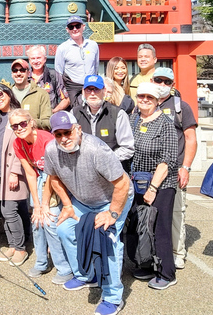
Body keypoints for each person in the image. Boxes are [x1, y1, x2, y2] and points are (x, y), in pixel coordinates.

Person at [45, 111, 132, 315]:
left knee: (107, 239)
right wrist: (66, 205)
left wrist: (112, 214)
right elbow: (54, 178)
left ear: (78, 129)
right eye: (58, 134)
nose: (64, 138)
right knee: (65, 229)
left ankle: (112, 297)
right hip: (83, 202)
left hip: (112, 200)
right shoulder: (51, 150)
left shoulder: (97, 150)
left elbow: (123, 185)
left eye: (68, 132)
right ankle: (87, 275)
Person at [8, 109, 72, 284]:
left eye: (22, 123)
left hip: (56, 177)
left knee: (50, 221)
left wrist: (44, 203)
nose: (19, 128)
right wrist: (36, 204)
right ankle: (41, 262)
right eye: (15, 126)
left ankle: (64, 268)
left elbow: (53, 174)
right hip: (38, 177)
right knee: (36, 221)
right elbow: (29, 173)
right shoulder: (18, 143)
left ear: (31, 122)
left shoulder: (46, 140)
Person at [127, 82, 179, 290]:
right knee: (141, 225)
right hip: (137, 181)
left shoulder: (165, 123)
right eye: (141, 97)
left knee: (160, 227)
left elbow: (168, 159)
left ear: (158, 101)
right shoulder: (133, 118)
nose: (144, 100)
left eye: (150, 97)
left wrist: (153, 188)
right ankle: (146, 264)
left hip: (161, 182)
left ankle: (167, 272)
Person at [150, 67, 198, 269]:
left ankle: (177, 252)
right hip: (150, 171)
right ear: (151, 80)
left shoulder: (181, 107)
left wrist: (185, 166)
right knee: (151, 213)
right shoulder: (145, 102)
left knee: (176, 212)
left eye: (166, 82)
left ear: (172, 85)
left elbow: (190, 138)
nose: (162, 85)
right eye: (158, 80)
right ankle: (153, 251)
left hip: (174, 169)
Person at [0, 84, 28, 266]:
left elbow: (24, 144)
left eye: (0, 95)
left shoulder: (18, 116)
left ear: (9, 94)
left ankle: (21, 248)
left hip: (11, 171)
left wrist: (15, 172)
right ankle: (11, 245)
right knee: (4, 210)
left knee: (10, 211)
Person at [72, 75, 134, 173]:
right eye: (88, 90)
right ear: (83, 92)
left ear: (104, 91)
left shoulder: (118, 114)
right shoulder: (74, 114)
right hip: (83, 171)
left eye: (96, 89)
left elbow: (127, 148)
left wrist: (106, 159)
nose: (92, 93)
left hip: (111, 171)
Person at [54, 16, 100, 107]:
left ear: (83, 27)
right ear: (67, 30)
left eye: (77, 26)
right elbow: (58, 72)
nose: (75, 29)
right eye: (71, 27)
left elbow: (96, 67)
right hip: (73, 88)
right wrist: (64, 93)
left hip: (90, 85)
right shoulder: (62, 48)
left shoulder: (93, 45)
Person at [27, 44, 70, 112]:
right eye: (33, 58)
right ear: (29, 60)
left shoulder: (53, 75)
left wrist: (54, 111)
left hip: (49, 118)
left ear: (45, 59)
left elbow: (66, 99)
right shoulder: (25, 77)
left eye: (38, 58)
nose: (36, 61)